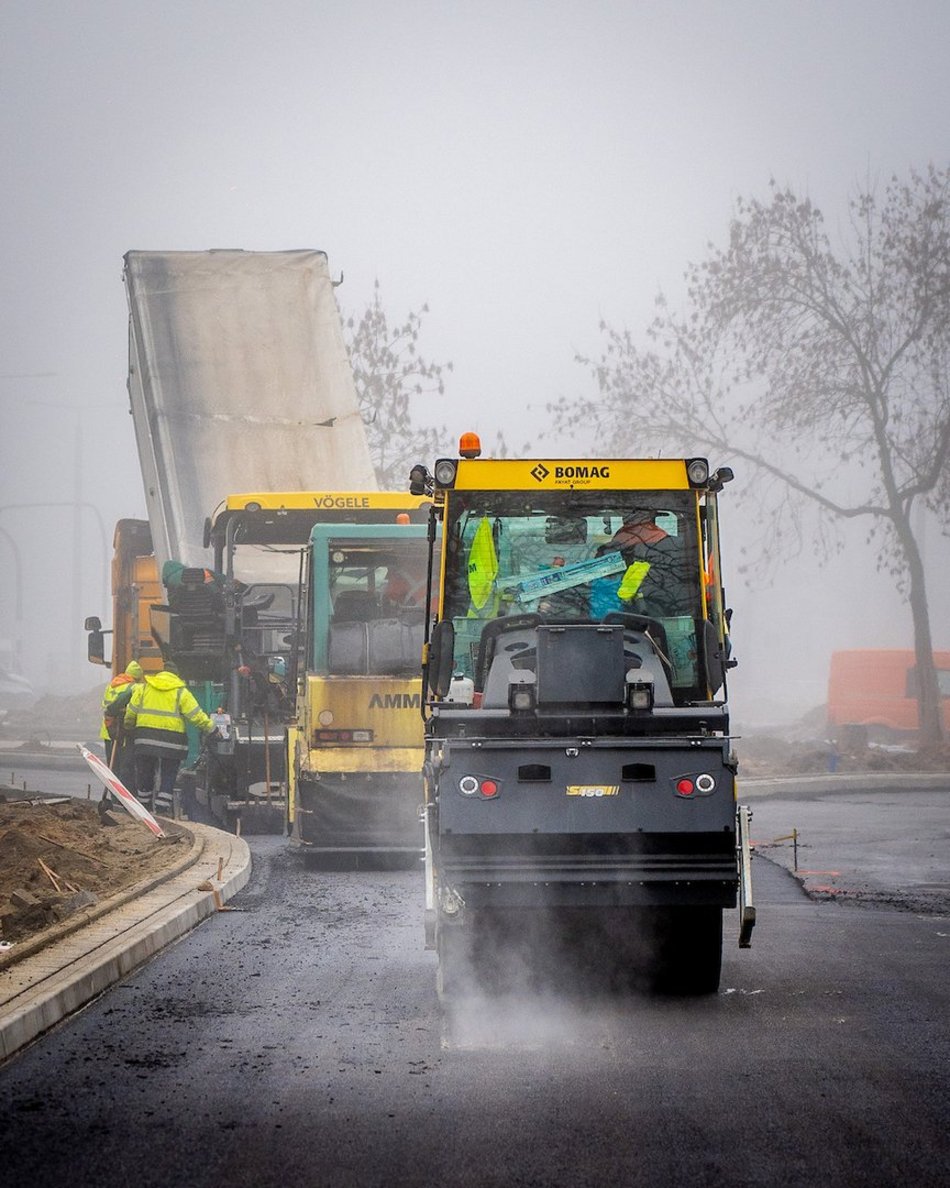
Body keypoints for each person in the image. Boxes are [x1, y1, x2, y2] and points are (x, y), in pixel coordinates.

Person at [123, 659, 217, 816]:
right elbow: (196, 716)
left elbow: (131, 712)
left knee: (145, 771)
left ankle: (144, 807)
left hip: (145, 738)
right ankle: (162, 808)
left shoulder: (145, 688)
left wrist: (128, 727)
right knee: (169, 772)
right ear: (176, 675)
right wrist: (211, 729)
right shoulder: (181, 692)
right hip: (172, 742)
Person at [99, 661, 144, 785]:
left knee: (113, 767)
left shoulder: (111, 685)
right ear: (137, 677)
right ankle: (124, 795)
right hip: (121, 732)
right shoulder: (133, 687)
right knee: (125, 766)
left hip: (108, 731)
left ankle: (114, 797)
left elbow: (106, 706)